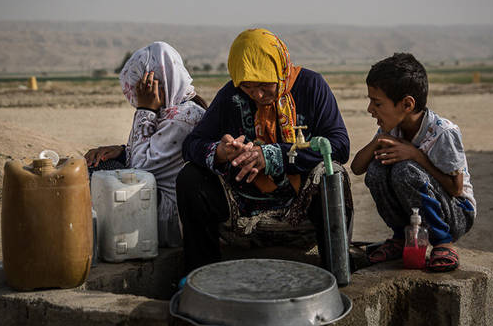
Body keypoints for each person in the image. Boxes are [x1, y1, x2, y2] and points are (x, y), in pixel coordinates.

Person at [177, 28, 351, 274]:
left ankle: (336, 274)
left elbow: (340, 145)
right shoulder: (231, 95)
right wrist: (220, 151)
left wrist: (273, 156)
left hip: (301, 209)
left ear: (279, 69)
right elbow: (192, 145)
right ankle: (201, 275)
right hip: (243, 209)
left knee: (332, 174)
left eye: (263, 85)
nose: (257, 95)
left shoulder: (312, 86)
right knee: (191, 177)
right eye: (248, 87)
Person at [351, 53, 476, 272]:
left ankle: (443, 242)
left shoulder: (442, 133)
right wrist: (378, 141)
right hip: (418, 216)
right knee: (376, 169)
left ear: (407, 104)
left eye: (377, 102)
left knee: (404, 170)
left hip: (456, 213)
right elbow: (357, 168)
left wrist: (416, 155)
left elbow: (456, 189)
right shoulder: (392, 128)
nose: (370, 109)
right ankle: (402, 238)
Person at [84, 42, 207, 248]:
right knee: (98, 169)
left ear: (159, 84)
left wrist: (145, 110)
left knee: (101, 179)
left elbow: (139, 171)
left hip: (171, 219)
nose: (135, 98)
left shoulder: (183, 118)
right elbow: (150, 154)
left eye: (140, 90)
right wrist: (123, 151)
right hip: (156, 202)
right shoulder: (173, 111)